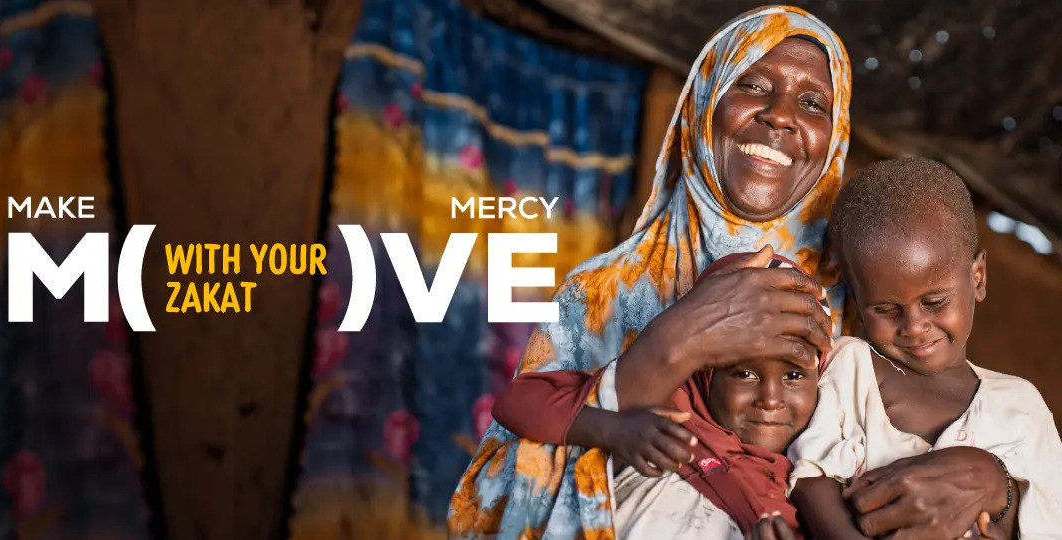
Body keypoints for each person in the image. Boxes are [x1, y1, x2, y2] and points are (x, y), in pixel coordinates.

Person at [449, 6, 1011, 539]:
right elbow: (492, 504)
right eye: (753, 86)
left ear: (835, 135)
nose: (781, 116)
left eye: (814, 103)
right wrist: (671, 346)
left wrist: (999, 488)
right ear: (703, 103)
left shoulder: (873, 300)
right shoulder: (602, 292)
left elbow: (936, 465)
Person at [788, 158, 1062, 538]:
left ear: (978, 278)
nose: (914, 327)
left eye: (934, 302)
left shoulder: (1021, 408)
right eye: (886, 309)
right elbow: (811, 477)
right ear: (856, 297)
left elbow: (1048, 518)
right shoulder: (849, 369)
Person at [490, 253, 831, 539]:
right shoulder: (670, 415)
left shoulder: (815, 478)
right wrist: (614, 429)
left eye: (794, 375)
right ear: (706, 370)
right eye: (743, 374)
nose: (770, 399)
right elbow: (514, 403)